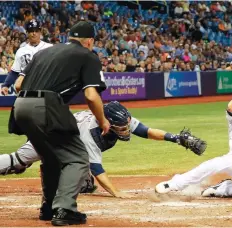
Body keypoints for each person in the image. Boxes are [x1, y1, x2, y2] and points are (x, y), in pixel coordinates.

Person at [11, 21, 110, 226]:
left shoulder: (44, 52)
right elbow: (91, 96)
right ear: (90, 41)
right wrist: (103, 121)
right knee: (77, 158)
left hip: (20, 106)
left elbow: (19, 84)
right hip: (47, 105)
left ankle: (48, 208)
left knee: (51, 156)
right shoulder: (87, 55)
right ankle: (64, 209)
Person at [0, 101, 206, 199]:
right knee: (16, 162)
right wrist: (117, 193)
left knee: (84, 182)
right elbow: (98, 169)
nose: (126, 130)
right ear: (106, 124)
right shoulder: (89, 133)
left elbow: (146, 131)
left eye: (126, 125)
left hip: (67, 145)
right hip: (47, 137)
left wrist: (176, 138)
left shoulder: (116, 118)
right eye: (122, 127)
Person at [1, 19, 52, 95]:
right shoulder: (21, 51)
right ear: (27, 33)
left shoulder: (50, 47)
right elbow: (15, 72)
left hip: (45, 87)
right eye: (31, 31)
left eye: (36, 30)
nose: (34, 33)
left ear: (40, 32)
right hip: (26, 89)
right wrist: (6, 85)